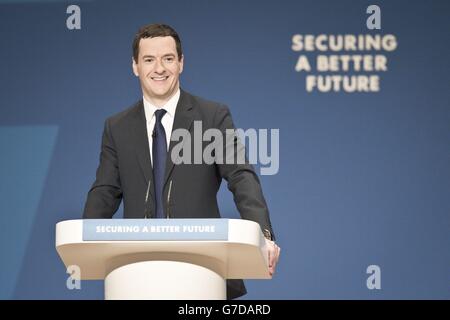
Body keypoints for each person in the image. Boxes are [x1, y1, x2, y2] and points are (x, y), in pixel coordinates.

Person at [83, 23, 280, 299]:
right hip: (136, 275)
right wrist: (83, 240)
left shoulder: (212, 116)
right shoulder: (117, 127)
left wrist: (264, 235)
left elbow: (241, 176)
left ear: (181, 63)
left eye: (168, 58)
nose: (159, 68)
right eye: (149, 60)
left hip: (203, 274)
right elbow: (105, 191)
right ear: (135, 66)